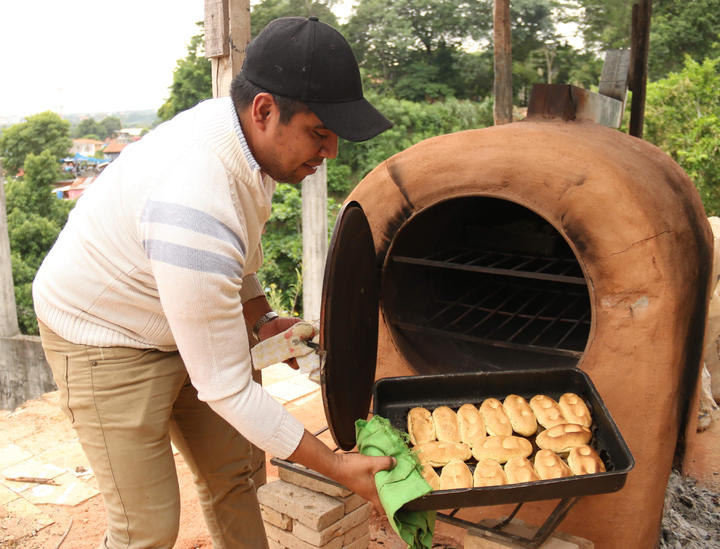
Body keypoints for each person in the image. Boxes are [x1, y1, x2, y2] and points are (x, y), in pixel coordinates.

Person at [32, 16, 394, 549]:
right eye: (320, 133)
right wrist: (340, 468)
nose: (331, 152)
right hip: (102, 336)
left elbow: (237, 261)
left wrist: (264, 321)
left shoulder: (247, 147)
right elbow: (226, 387)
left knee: (238, 476)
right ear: (265, 109)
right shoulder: (194, 200)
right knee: (145, 529)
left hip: (179, 316)